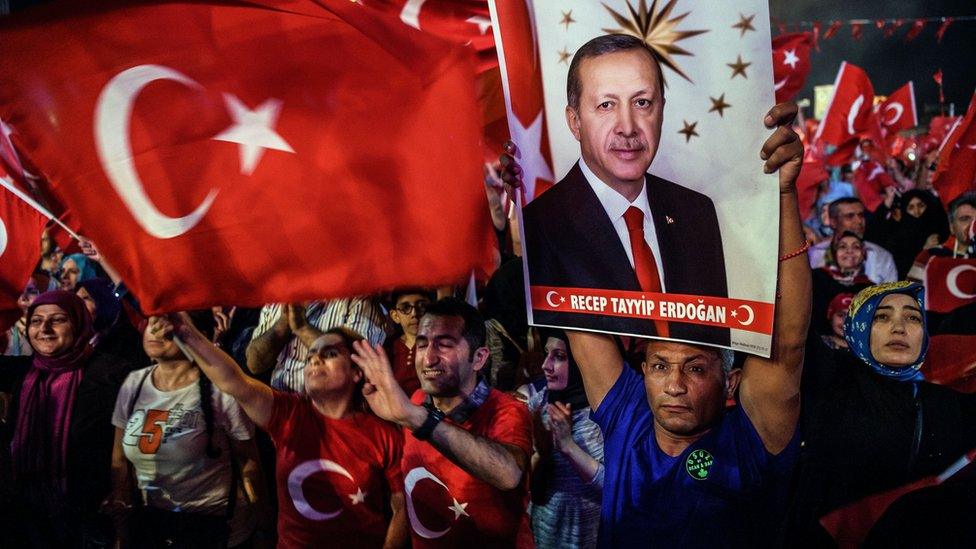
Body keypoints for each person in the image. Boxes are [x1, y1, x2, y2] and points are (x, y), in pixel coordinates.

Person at [507, 100, 809, 546]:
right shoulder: (630, 415)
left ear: (731, 382)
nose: (674, 385)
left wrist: (781, 197)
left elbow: (787, 341)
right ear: (643, 372)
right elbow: (571, 300)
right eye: (660, 366)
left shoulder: (752, 436)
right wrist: (532, 191)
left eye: (696, 367)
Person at [520, 34, 729, 346]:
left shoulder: (696, 211)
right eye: (606, 105)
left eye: (642, 103)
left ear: (661, 111)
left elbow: (716, 337)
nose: (628, 126)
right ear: (575, 121)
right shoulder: (540, 227)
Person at [152, 315, 407, 548]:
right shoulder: (289, 413)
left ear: (356, 373)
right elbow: (232, 379)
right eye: (310, 356)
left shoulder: (383, 433)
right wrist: (187, 332)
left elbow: (401, 507)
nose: (315, 359)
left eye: (329, 354)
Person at [789, 282, 976, 544]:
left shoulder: (946, 403)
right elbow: (790, 323)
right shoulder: (828, 377)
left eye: (912, 316)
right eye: (881, 316)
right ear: (857, 326)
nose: (899, 327)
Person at [350, 297, 533, 548]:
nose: (428, 359)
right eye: (423, 345)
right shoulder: (417, 401)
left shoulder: (507, 410)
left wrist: (417, 419)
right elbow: (413, 494)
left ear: (479, 358)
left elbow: (509, 474)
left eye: (445, 345)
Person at [105, 313, 269, 548]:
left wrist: (263, 526)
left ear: (198, 336)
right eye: (152, 322)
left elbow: (248, 462)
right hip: (154, 526)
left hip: (214, 528)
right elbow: (119, 461)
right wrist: (122, 530)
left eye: (168, 323)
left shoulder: (220, 390)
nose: (155, 330)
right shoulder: (134, 383)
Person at [0, 290, 143, 547]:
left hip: (92, 515)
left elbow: (131, 446)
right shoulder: (24, 372)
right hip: (29, 513)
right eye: (35, 321)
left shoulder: (113, 374)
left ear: (78, 323)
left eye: (58, 320)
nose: (44, 329)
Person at [527, 329, 603, 549]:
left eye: (559, 357)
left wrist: (568, 446)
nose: (545, 365)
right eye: (546, 354)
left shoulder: (605, 414)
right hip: (545, 536)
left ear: (583, 362)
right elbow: (534, 493)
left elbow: (617, 489)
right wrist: (542, 454)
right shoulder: (538, 405)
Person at [245, 299, 389, 393]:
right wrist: (283, 323)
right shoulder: (276, 302)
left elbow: (357, 364)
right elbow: (254, 365)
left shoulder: (358, 301)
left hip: (333, 417)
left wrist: (302, 327)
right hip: (283, 413)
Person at [808, 197, 898, 283]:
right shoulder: (814, 255)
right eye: (850, 216)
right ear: (833, 222)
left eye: (861, 215)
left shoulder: (881, 256)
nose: (859, 221)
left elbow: (891, 295)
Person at [871, 188, 949, 278]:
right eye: (911, 207)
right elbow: (874, 230)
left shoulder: (942, 228)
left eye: (921, 205)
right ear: (905, 211)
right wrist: (923, 250)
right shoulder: (899, 237)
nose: (917, 212)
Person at [811, 231, 873, 334]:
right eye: (842, 247)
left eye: (856, 247)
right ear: (834, 254)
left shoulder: (870, 289)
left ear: (864, 254)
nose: (849, 251)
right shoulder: (816, 278)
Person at [907, 191, 976, 283]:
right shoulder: (931, 256)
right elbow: (911, 295)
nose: (972, 225)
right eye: (965, 219)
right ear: (952, 227)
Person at [383, 288, 433, 395]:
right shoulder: (387, 350)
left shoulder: (441, 347)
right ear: (395, 316)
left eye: (422, 306)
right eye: (405, 308)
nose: (414, 313)